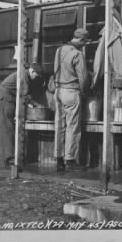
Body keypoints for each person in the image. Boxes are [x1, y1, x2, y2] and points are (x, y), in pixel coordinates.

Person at [0, 63, 45, 167]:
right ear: (32, 71)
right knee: (7, 129)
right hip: (4, 99)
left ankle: (9, 157)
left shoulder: (24, 74)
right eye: (37, 76)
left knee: (9, 128)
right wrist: (36, 105)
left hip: (5, 99)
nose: (36, 78)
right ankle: (9, 158)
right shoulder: (24, 76)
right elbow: (24, 94)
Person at [54, 28, 90, 172]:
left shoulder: (59, 50)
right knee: (72, 126)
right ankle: (70, 159)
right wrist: (86, 91)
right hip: (71, 91)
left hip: (57, 91)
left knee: (59, 126)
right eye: (84, 42)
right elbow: (83, 77)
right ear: (81, 41)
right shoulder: (77, 54)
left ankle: (58, 160)